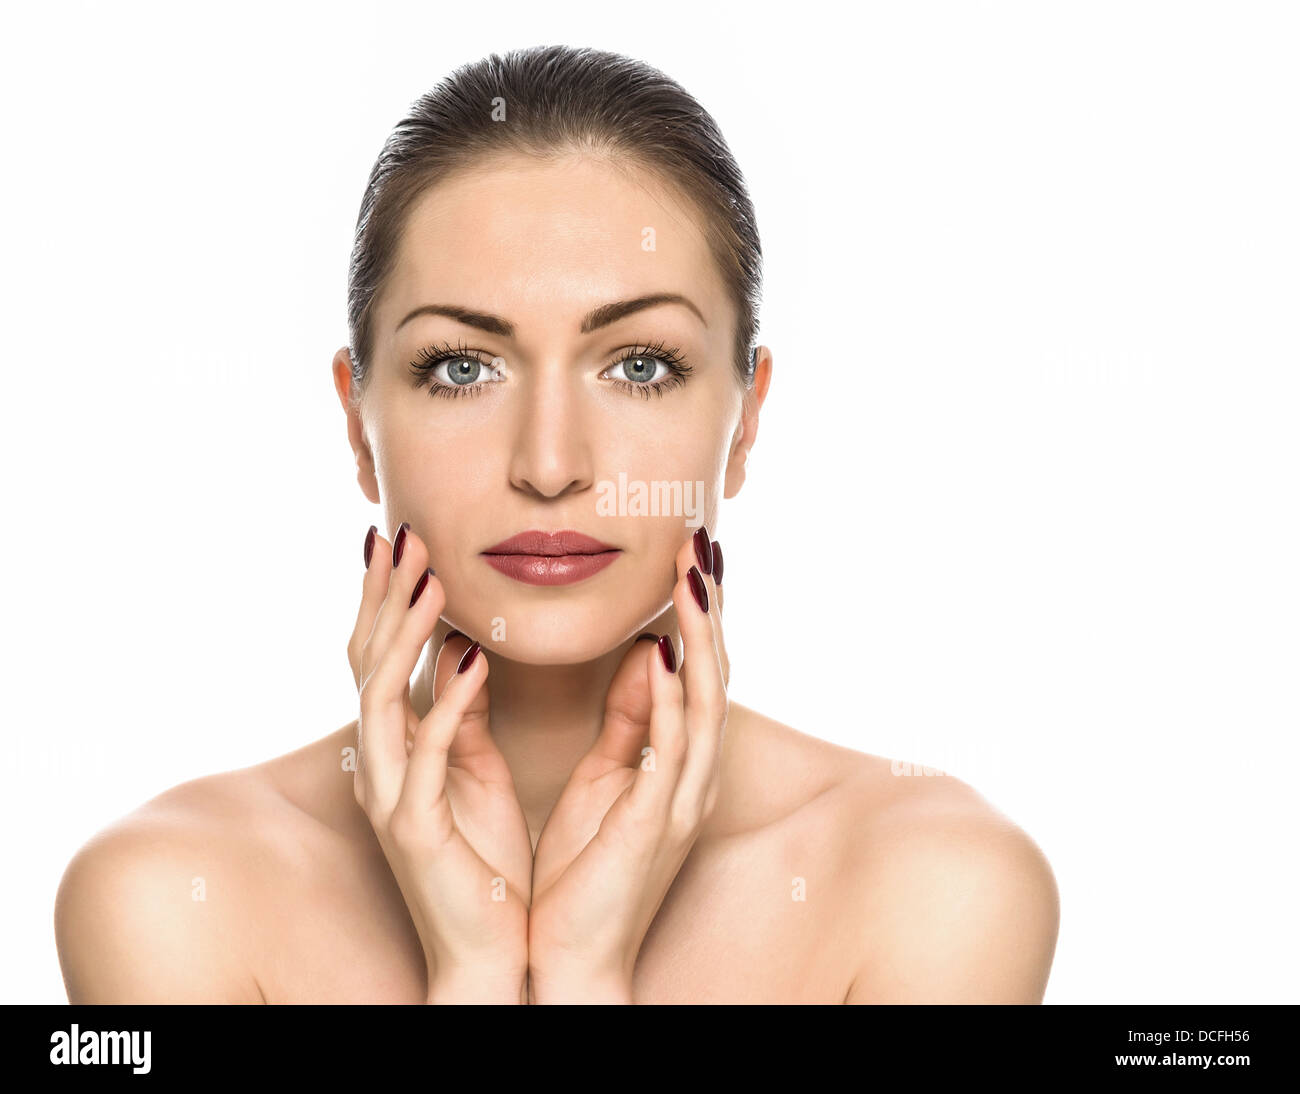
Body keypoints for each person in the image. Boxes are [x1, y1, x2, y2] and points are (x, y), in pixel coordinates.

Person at [54, 44, 1059, 1004]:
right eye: (461, 366)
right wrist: (475, 971)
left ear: (745, 419)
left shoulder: (933, 886)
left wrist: (581, 971)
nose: (548, 466)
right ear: (356, 424)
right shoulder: (168, 896)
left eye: (638, 365)